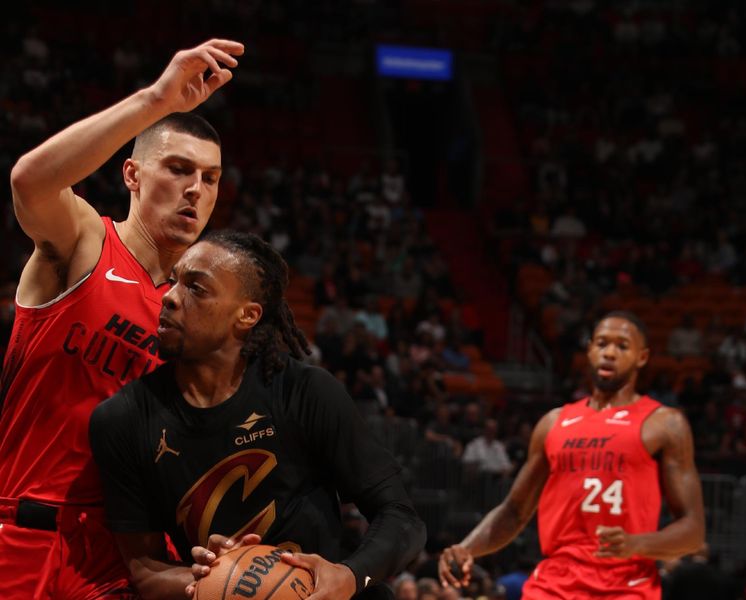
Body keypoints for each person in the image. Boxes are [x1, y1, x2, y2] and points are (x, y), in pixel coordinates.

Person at [0, 38, 245, 600]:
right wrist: (156, 100)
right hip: (28, 534)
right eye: (179, 169)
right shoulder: (87, 242)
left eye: (210, 178)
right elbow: (28, 182)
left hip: (125, 560)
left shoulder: (204, 316)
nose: (195, 190)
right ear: (132, 174)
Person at [89, 231, 427, 600]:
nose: (169, 297)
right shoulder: (121, 419)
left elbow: (401, 517)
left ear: (247, 315)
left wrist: (350, 575)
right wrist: (213, 580)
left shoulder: (304, 391)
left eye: (196, 289)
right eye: (172, 282)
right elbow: (145, 571)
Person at [439, 311, 705, 599]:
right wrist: (467, 548)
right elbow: (514, 511)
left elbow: (692, 531)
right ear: (589, 349)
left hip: (626, 584)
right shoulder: (554, 422)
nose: (610, 353)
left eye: (622, 346)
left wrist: (635, 544)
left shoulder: (665, 424)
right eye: (602, 344)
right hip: (556, 582)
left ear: (642, 357)